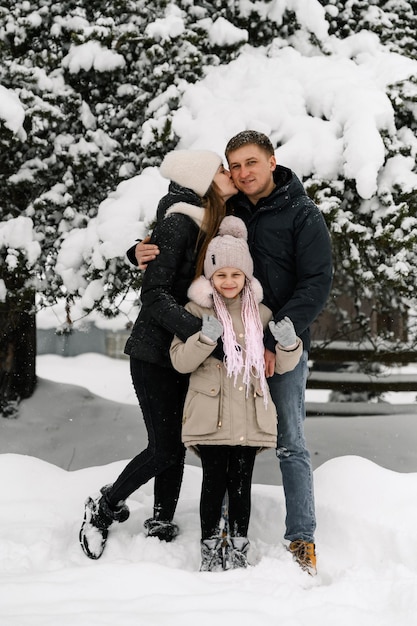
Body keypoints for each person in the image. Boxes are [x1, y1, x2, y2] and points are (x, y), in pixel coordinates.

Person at [135, 131, 333, 575]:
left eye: (250, 163)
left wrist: (274, 338)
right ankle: (222, 528)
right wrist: (139, 249)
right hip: (224, 344)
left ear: (272, 161)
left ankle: (301, 538)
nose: (242, 173)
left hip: (278, 343)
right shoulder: (229, 207)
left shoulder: (303, 214)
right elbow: (180, 213)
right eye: (234, 165)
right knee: (222, 439)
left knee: (290, 443)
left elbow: (316, 282)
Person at [79, 149, 238, 560]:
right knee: (164, 446)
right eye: (221, 168)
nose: (230, 172)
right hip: (154, 353)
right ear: (203, 180)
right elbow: (154, 296)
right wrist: (204, 334)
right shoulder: (179, 223)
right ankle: (104, 507)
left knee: (176, 441)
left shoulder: (209, 222)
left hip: (184, 352)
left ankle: (162, 518)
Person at [169, 215, 303, 572]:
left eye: (236, 274)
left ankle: (239, 544)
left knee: (241, 481)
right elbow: (180, 361)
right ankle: (211, 546)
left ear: (247, 276)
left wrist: (289, 345)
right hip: (211, 412)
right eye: (221, 274)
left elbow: (280, 365)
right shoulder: (195, 311)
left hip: (248, 412)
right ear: (210, 276)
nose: (228, 281)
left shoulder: (260, 314)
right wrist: (205, 339)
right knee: (213, 481)